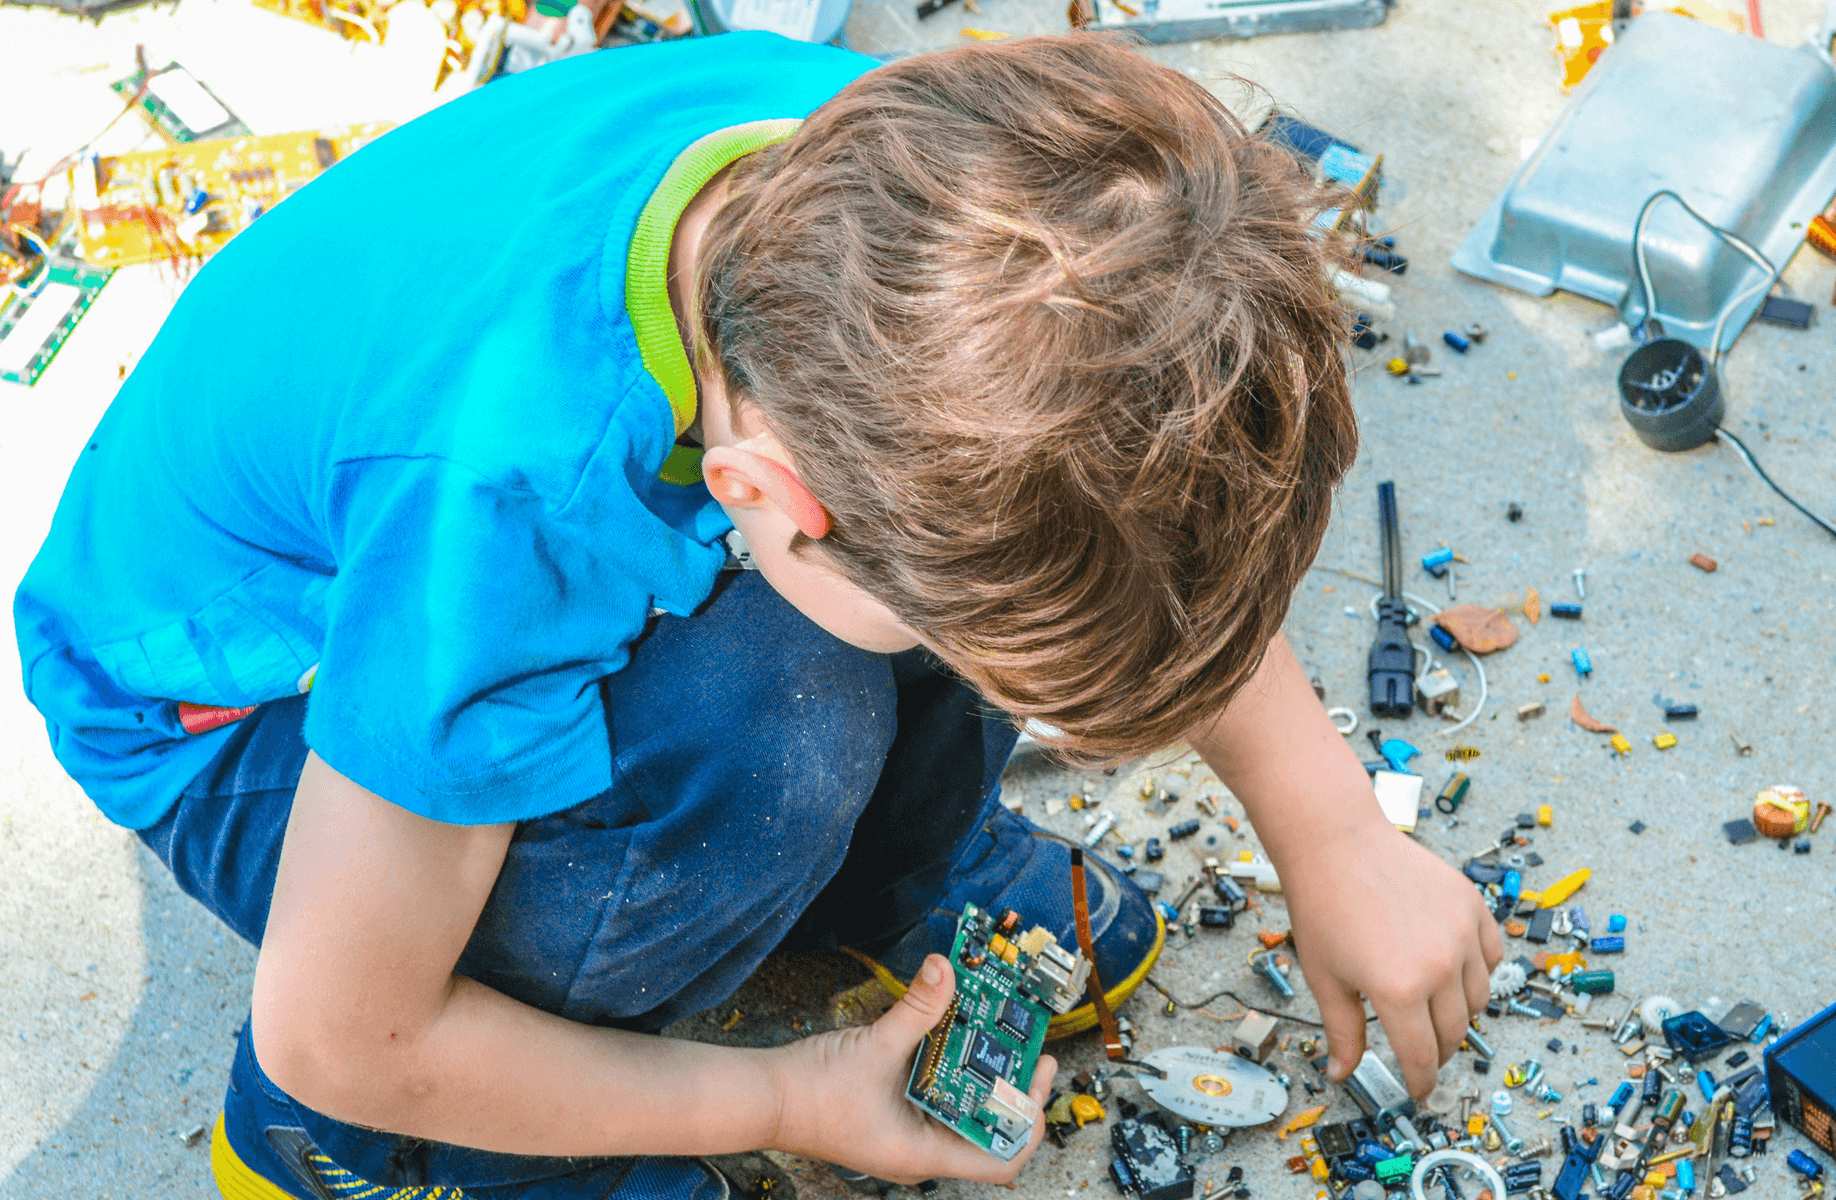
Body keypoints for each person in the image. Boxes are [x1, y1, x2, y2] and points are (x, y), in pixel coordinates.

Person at [14, 32, 1499, 1200]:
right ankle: (376, 1158)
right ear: (760, 494)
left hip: (490, 558)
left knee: (940, 584)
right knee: (765, 742)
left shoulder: (950, 202)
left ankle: (877, 874)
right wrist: (790, 1097)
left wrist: (1334, 830)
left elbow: (1130, 509)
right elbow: (339, 1025)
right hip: (247, 715)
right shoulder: (506, 506)